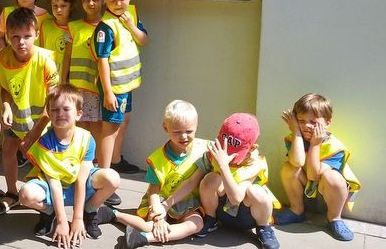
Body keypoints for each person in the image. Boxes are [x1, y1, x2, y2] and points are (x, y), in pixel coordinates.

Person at [19, 85, 119, 245]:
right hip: (54, 188)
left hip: (79, 186)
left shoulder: (86, 139)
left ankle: (89, 211)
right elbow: (54, 183)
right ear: (49, 113)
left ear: (79, 114)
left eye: (66, 109)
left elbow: (81, 180)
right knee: (26, 194)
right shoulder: (45, 143)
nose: (60, 113)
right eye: (55, 110)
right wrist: (62, 221)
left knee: (112, 178)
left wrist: (77, 218)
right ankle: (49, 212)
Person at [0, 7, 60, 216]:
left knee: (46, 161)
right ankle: (12, 192)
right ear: (7, 37)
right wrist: (6, 106)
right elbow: (6, 88)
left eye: (27, 36)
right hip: (18, 117)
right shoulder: (1, 59)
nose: (21, 42)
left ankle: (50, 204)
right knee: (8, 149)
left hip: (44, 121)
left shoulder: (45, 60)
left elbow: (53, 102)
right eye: (15, 37)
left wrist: (33, 134)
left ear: (36, 35)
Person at [113, 100, 208, 248]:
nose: (184, 136)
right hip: (159, 200)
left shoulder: (203, 148)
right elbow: (153, 191)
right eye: (177, 132)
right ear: (166, 128)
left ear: (196, 127)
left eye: (189, 131)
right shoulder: (157, 160)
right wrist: (159, 218)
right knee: (149, 226)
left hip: (187, 202)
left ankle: (142, 238)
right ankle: (115, 214)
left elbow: (225, 146)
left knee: (197, 224)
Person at [274, 93, 360, 242]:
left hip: (326, 187)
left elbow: (314, 175)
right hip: (306, 182)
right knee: (289, 168)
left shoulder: (335, 147)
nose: (307, 126)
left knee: (333, 177)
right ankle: (297, 210)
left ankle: (334, 218)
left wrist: (315, 144)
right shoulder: (295, 138)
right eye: (301, 121)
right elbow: (297, 162)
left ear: (327, 122)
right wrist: (296, 132)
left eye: (313, 122)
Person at [198, 113, 281, 249]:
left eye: (233, 154)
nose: (227, 156)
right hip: (222, 213)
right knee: (211, 179)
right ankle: (210, 219)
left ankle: (264, 228)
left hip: (246, 216)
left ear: (252, 148)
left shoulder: (255, 164)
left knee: (256, 191)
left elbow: (236, 198)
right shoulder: (214, 154)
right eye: (225, 150)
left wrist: (224, 166)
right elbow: (195, 180)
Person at [93, 0, 148, 174]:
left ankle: (116, 160)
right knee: (110, 129)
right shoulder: (105, 27)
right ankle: (103, 173)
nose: (117, 4)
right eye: (112, 0)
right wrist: (108, 92)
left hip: (127, 85)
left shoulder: (131, 14)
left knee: (123, 123)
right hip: (114, 87)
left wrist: (132, 26)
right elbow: (102, 60)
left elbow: (144, 40)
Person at [68, 0, 103, 138]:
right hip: (77, 87)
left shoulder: (107, 26)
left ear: (103, 0)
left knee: (96, 125)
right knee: (80, 124)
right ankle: (83, 152)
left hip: (97, 88)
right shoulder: (73, 27)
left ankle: (95, 153)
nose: (91, 3)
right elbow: (67, 56)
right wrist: (63, 81)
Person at [39, 0, 73, 82]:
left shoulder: (74, 28)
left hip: (65, 80)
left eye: (63, 6)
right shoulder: (45, 25)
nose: (58, 10)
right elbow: (42, 51)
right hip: (47, 78)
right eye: (55, 6)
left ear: (71, 6)